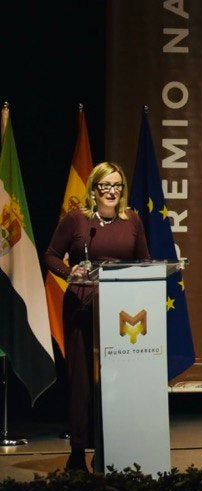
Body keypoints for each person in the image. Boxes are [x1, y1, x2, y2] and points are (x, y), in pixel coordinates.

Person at [42, 161, 151, 473]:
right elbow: (50, 255)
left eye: (117, 185)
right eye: (105, 186)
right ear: (93, 189)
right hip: (81, 306)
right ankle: (78, 451)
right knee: (81, 382)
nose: (111, 191)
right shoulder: (78, 220)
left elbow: (145, 262)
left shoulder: (132, 220)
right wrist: (70, 271)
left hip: (121, 311)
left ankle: (114, 447)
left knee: (117, 380)